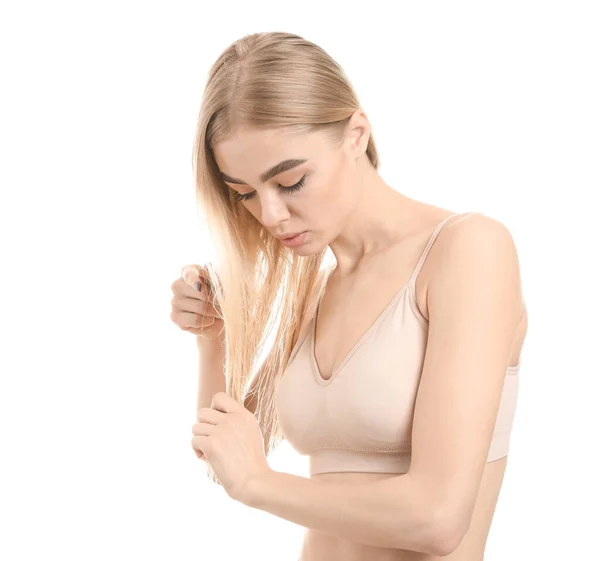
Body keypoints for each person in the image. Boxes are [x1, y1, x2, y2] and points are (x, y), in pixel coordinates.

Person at [171, 31, 527, 560]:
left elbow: (437, 518)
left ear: (356, 133)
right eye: (244, 194)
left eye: (290, 181)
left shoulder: (468, 250)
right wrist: (213, 339)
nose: (269, 215)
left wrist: (261, 485)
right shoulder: (313, 285)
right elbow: (225, 459)